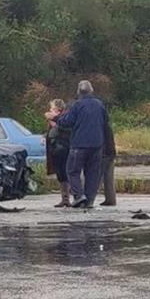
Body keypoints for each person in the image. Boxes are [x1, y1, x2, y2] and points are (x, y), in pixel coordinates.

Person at [57, 80, 108, 208]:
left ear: (78, 92)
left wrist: (58, 118)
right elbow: (105, 121)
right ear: (92, 90)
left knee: (72, 171)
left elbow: (67, 122)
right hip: (97, 144)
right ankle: (89, 201)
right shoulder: (99, 105)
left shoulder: (77, 105)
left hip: (79, 144)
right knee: (92, 173)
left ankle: (79, 196)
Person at [44, 99, 72, 207]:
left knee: (65, 173)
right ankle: (65, 198)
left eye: (52, 108)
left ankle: (69, 197)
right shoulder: (55, 120)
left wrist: (55, 125)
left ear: (57, 109)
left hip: (63, 149)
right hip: (56, 149)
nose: (50, 110)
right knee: (60, 174)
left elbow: (66, 131)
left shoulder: (65, 118)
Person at [100, 117, 117, 206]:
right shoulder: (108, 127)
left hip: (105, 153)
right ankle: (111, 199)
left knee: (97, 177)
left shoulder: (100, 128)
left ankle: (89, 198)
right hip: (111, 153)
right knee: (109, 178)